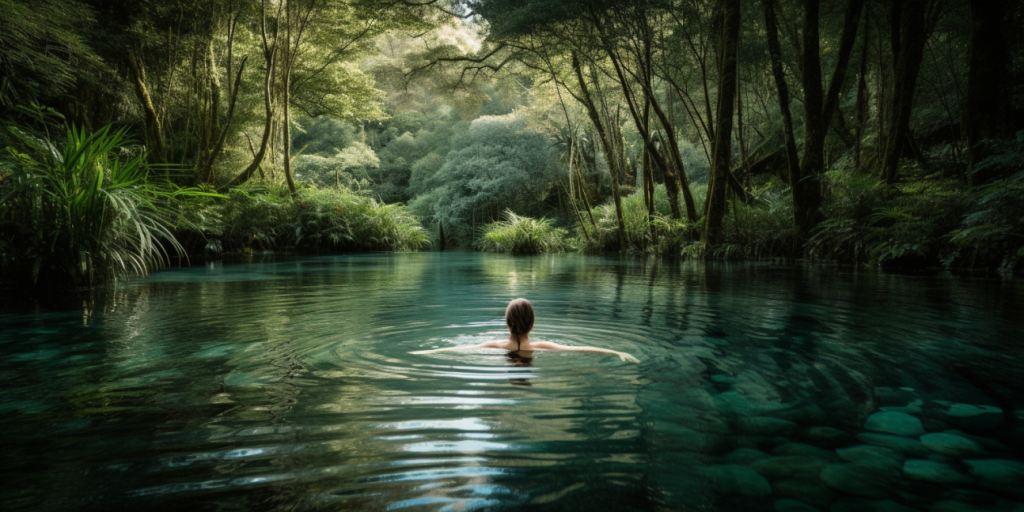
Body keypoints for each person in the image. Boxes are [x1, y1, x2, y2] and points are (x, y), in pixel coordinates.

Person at [411, 298, 640, 363]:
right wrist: (615, 352)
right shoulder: (543, 347)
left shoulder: (493, 345)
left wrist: (423, 353)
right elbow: (579, 348)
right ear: (532, 324)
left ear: (507, 323)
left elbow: (456, 349)